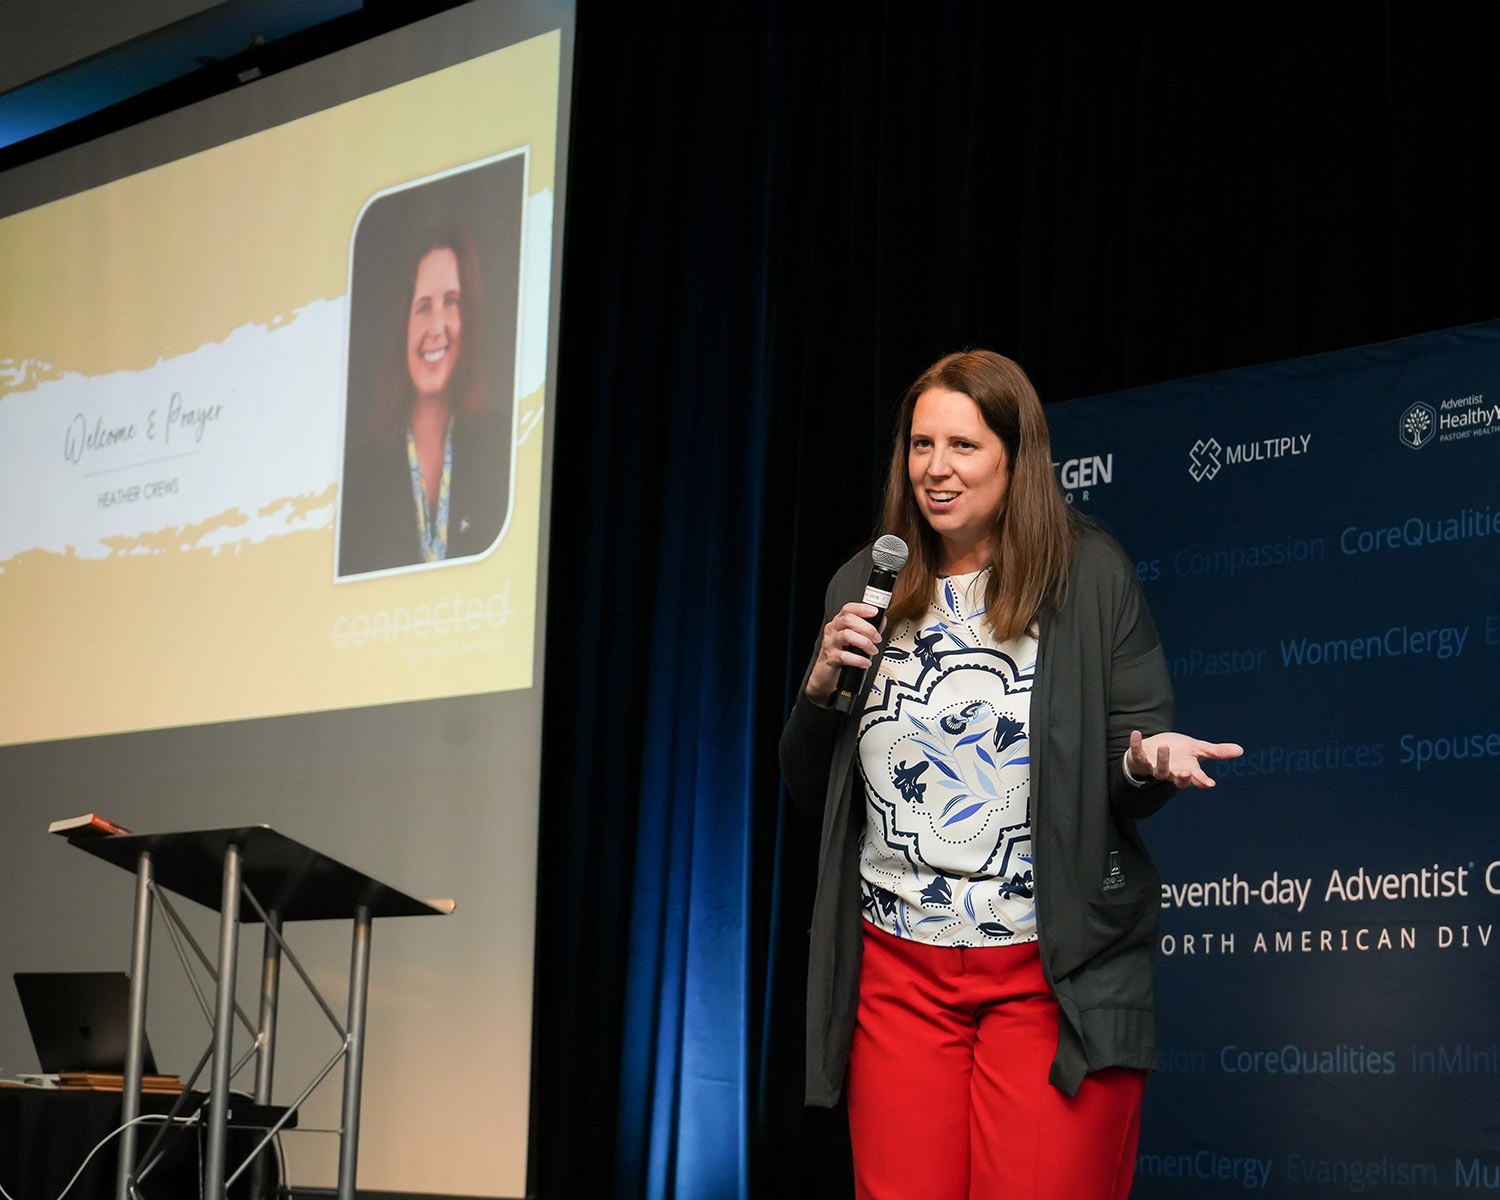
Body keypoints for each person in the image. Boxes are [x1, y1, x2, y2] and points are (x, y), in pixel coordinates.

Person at [779, 350, 1242, 1200]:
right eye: (921, 446)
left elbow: (1125, 755)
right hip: (898, 977)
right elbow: (816, 791)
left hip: (1046, 976)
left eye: (964, 445)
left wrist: (1147, 759)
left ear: (1016, 457)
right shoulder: (865, 583)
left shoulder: (1087, 575)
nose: (936, 470)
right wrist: (815, 696)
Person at [338, 225, 508, 576]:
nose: (436, 327)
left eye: (451, 302)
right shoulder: (356, 481)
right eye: (423, 307)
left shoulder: (507, 451)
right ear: (405, 324)